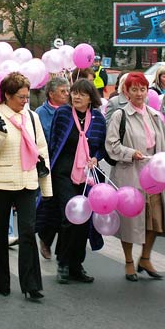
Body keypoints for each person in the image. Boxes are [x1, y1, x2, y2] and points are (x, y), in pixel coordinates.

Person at [0, 72, 52, 301]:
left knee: (28, 233)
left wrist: (46, 187)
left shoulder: (32, 117)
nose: (24, 101)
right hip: (0, 183)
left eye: (26, 96)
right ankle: (0, 281)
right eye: (20, 97)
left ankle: (31, 285)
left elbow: (42, 151)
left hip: (27, 181)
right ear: (7, 96)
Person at [105, 72, 165, 282]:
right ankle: (128, 261)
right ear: (126, 92)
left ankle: (145, 258)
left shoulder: (154, 115)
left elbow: (164, 142)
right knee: (129, 221)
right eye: (134, 89)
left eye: (142, 89)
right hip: (130, 174)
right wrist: (130, 154)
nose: (139, 93)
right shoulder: (121, 115)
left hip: (153, 176)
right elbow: (111, 145)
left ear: (147, 91)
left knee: (155, 220)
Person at [49, 79, 107, 284]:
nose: (76, 97)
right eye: (74, 93)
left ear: (91, 97)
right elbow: (54, 141)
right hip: (64, 172)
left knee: (84, 219)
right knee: (70, 216)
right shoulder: (63, 113)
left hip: (88, 175)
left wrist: (95, 157)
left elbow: (102, 146)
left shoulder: (98, 119)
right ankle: (63, 263)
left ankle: (76, 264)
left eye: (81, 94)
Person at [34, 76, 70, 258]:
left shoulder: (70, 111)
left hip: (66, 167)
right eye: (63, 91)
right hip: (48, 166)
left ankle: (62, 251)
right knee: (49, 206)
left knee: (65, 208)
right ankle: (45, 238)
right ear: (51, 94)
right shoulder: (41, 113)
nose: (67, 94)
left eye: (67, 91)